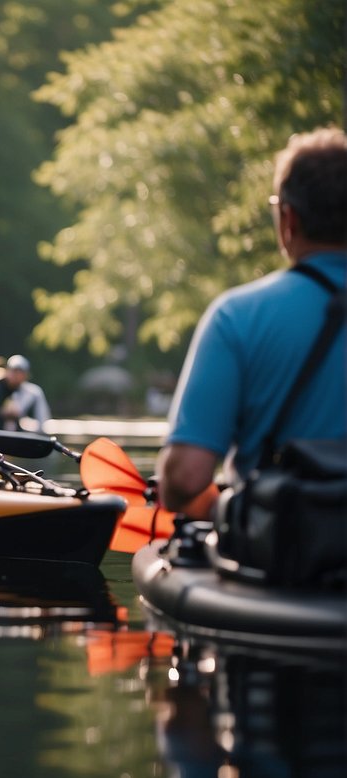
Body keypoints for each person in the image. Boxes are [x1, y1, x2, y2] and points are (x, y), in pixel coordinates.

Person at [157, 127, 347, 518]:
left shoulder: (237, 317)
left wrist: (221, 509)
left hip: (286, 556)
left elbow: (184, 480)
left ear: (287, 218)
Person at [0, 354, 51, 432]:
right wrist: (2, 413)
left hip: (21, 437)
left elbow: (42, 421)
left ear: (26, 375)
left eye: (20, 372)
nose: (16, 375)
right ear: (7, 371)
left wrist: (21, 420)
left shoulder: (34, 393)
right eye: (14, 371)